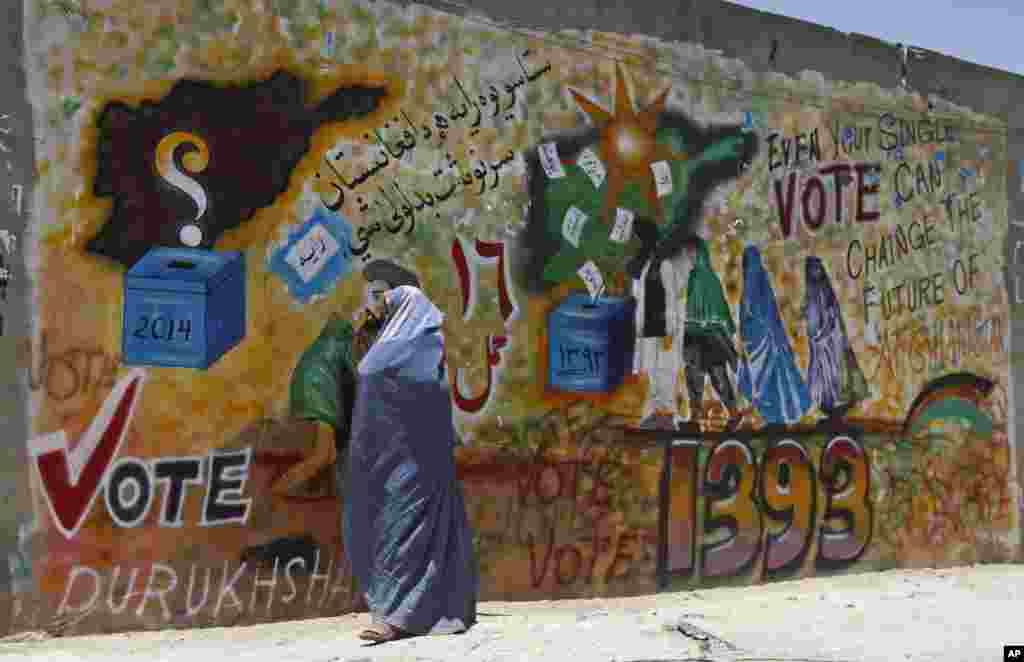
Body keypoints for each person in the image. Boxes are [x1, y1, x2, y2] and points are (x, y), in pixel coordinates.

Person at [346, 285, 478, 642]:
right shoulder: (425, 349)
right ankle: (417, 610)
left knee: (402, 537)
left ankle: (393, 618)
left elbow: (375, 386)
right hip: (408, 461)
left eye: (389, 306)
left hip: (410, 465)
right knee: (408, 537)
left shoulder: (391, 353)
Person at [736, 245, 811, 425]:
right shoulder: (756, 281)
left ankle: (775, 416)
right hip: (759, 341)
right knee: (767, 380)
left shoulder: (755, 283)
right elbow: (765, 315)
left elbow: (763, 313)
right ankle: (773, 416)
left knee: (766, 380)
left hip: (763, 341)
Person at [628, 218, 687, 430]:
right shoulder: (644, 266)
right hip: (647, 328)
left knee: (665, 372)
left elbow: (671, 298)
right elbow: (637, 294)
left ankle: (667, 415)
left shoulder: (665, 265)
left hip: (663, 329)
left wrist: (671, 330)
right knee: (650, 370)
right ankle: (654, 414)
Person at [682, 236, 742, 430]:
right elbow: (719, 307)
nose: (689, 258)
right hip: (700, 335)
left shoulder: (703, 278)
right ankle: (698, 418)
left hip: (705, 336)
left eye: (692, 254)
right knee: (701, 377)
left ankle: (730, 415)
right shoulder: (699, 278)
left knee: (711, 377)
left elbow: (719, 306)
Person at [801, 256, 868, 420]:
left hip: (832, 342)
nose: (816, 272)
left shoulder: (825, 292)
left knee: (838, 375)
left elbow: (830, 319)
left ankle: (836, 406)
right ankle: (831, 406)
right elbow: (813, 323)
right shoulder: (813, 294)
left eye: (818, 268)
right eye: (813, 269)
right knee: (826, 378)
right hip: (822, 346)